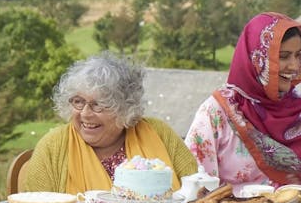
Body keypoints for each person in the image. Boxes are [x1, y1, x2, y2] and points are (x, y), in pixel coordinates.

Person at [21, 52, 197, 193]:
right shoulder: (53, 147)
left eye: (98, 105)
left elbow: (199, 193)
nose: (85, 114)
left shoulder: (159, 133)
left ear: (125, 108)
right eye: (78, 101)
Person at [185, 12, 301, 192]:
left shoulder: (296, 110)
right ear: (257, 59)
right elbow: (195, 185)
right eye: (284, 56)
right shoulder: (217, 112)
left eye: (298, 55)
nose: (294, 66)